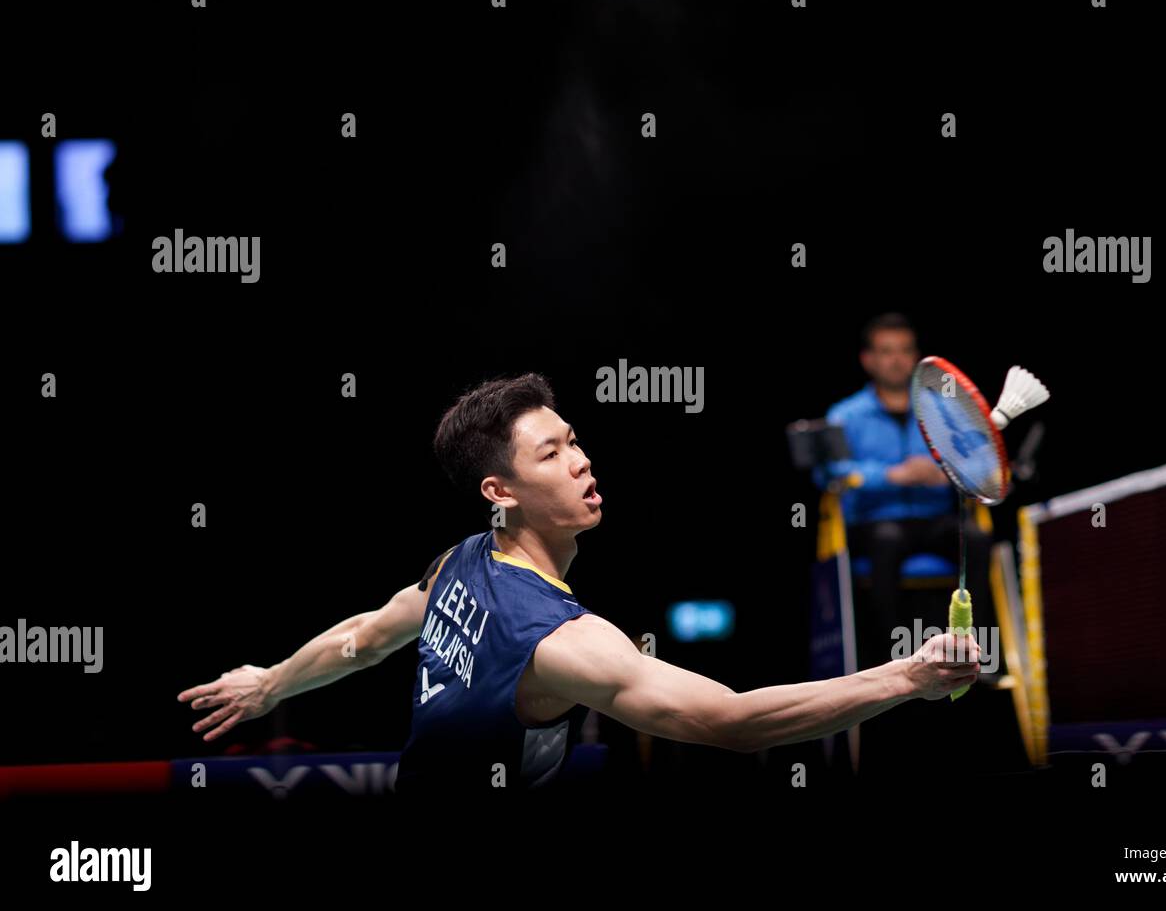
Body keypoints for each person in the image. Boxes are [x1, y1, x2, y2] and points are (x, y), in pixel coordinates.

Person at [178, 373, 980, 790]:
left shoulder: (462, 561)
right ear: (501, 492)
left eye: (575, 440)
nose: (582, 459)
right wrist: (907, 675)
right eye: (550, 454)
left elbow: (364, 638)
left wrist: (271, 683)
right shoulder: (562, 642)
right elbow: (728, 722)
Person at [813, 314, 992, 669]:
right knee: (887, 539)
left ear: (915, 357)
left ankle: (979, 656)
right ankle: (890, 664)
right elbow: (830, 473)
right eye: (885, 351)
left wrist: (948, 472)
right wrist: (891, 475)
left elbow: (981, 462)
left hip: (934, 520)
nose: (895, 359)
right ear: (868, 359)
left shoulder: (944, 409)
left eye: (904, 351)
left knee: (974, 537)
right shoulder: (845, 415)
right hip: (875, 524)